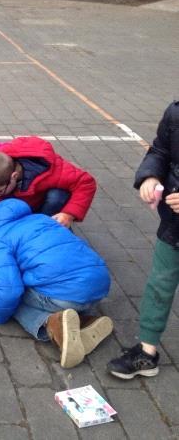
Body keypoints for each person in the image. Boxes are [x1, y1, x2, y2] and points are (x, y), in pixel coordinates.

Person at [0, 198, 112, 368]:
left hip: (65, 294)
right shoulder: (41, 218)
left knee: (12, 300)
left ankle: (52, 324)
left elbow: (8, 291)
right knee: (47, 283)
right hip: (99, 282)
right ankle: (86, 321)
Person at [108, 102, 179, 379]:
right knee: (159, 284)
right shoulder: (175, 113)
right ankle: (147, 353)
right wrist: (150, 175)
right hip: (174, 227)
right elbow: (160, 150)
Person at [0, 136, 97, 228]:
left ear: (14, 176)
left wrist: (68, 214)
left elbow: (86, 183)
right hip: (26, 200)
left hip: (43, 201)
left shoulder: (53, 171)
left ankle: (50, 224)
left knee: (56, 196)